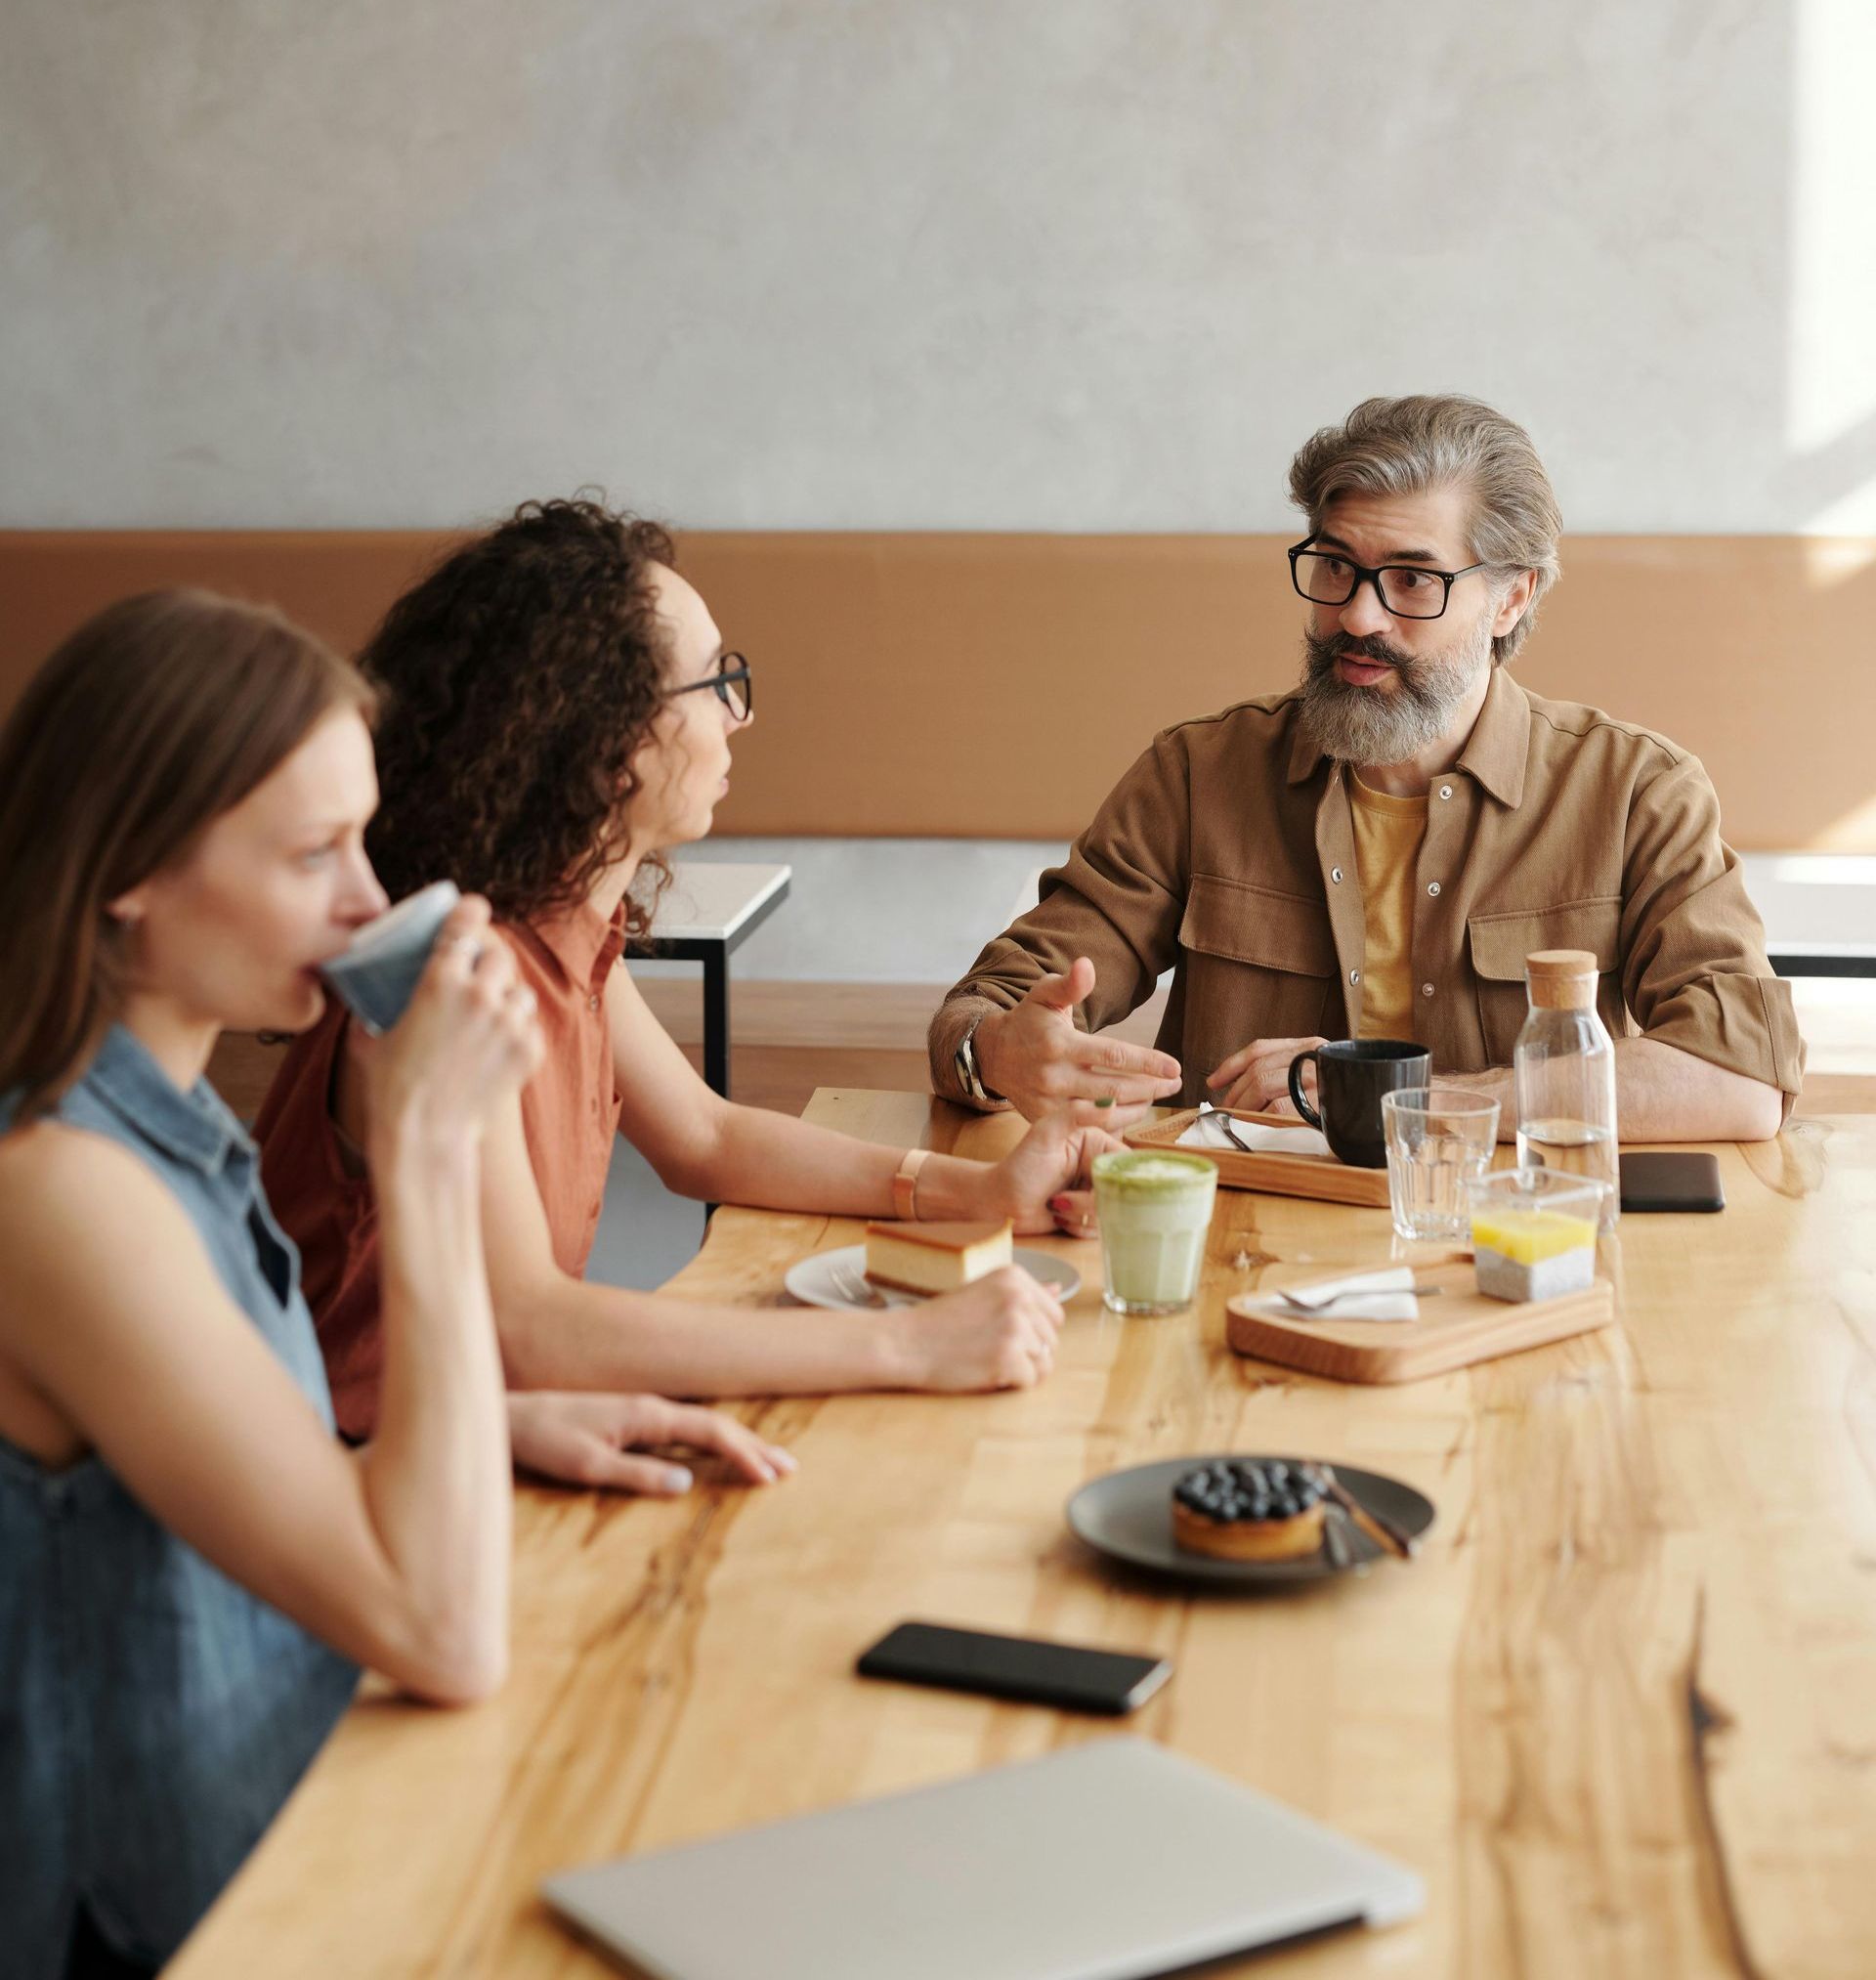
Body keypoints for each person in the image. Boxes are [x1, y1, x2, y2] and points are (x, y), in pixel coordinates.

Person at [0, 591, 789, 1980]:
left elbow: (156, 1490)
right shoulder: (58, 1185)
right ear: (129, 867)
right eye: (315, 853)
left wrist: (448, 1432)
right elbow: (438, 1629)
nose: (370, 900)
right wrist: (425, 1145)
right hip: (189, 1919)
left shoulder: (161, 1125)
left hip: (302, 1823)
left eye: (364, 838)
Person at [260, 500, 1095, 1439]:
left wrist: (980, 1193)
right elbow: (531, 1328)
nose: (741, 714)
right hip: (359, 1493)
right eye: (714, 683)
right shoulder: (456, 973)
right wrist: (908, 1347)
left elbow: (704, 1137)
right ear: (604, 731)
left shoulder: (558, 917)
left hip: (490, 1447)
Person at [930, 394, 1803, 1141]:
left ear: (1512, 596)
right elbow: (989, 1010)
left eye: (1414, 581)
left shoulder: (1634, 793)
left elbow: (1741, 1077)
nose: (1357, 617)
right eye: (1337, 567)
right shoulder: (1200, 774)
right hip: (1237, 1244)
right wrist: (998, 1053)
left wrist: (1404, 1100)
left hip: (1511, 1241)